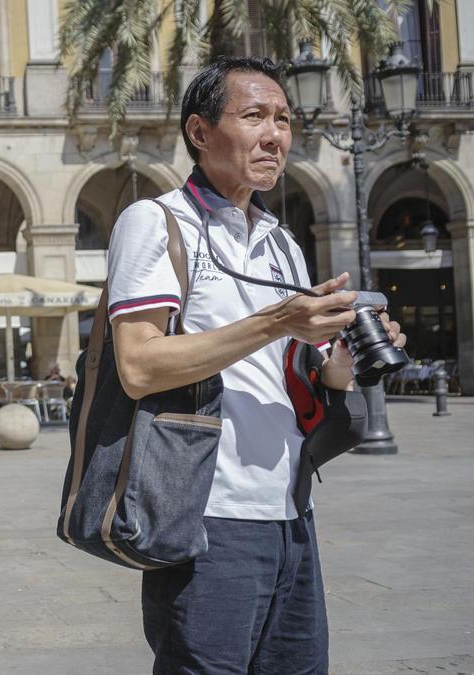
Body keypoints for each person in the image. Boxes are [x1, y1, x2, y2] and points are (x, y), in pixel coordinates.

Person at [104, 57, 406, 673]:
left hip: (292, 512)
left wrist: (342, 360)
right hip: (207, 516)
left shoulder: (281, 242)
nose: (276, 135)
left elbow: (295, 374)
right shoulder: (156, 223)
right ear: (200, 131)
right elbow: (138, 365)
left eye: (284, 119)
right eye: (254, 116)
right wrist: (275, 321)